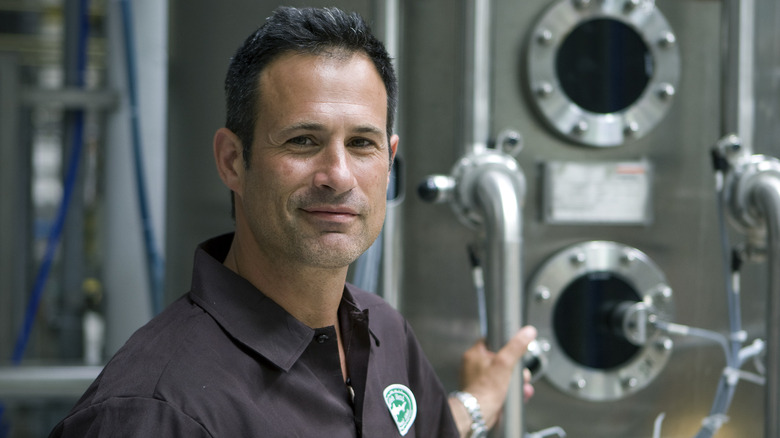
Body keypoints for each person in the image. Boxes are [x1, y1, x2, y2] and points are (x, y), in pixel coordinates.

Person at [49, 6, 536, 437]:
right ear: (233, 161)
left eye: (362, 143)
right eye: (303, 140)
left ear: (389, 160)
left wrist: (478, 402)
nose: (338, 176)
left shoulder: (384, 334)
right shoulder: (156, 412)